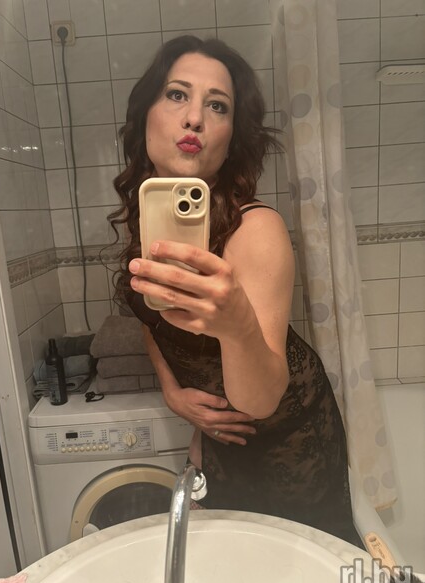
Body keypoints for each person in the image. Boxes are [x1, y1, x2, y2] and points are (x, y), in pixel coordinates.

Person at [109, 35, 363, 548]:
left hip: (288, 438)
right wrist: (174, 395)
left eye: (217, 106)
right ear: (145, 117)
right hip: (222, 437)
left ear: (230, 138)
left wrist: (237, 323)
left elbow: (262, 399)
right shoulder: (149, 220)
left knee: (298, 566)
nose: (194, 118)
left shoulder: (255, 229)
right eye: (177, 94)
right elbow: (152, 317)